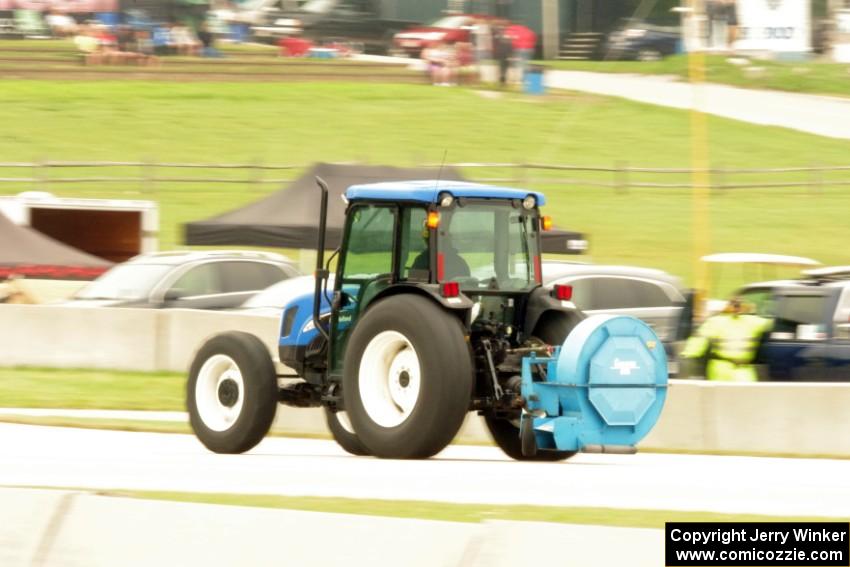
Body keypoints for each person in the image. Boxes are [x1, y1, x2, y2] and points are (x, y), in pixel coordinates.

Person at [681, 296, 772, 382]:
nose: (736, 307)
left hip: (743, 369)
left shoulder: (753, 321)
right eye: (733, 304)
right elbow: (699, 339)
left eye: (739, 304)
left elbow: (773, 324)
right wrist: (689, 354)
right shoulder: (717, 321)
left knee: (745, 394)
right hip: (721, 368)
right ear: (728, 306)